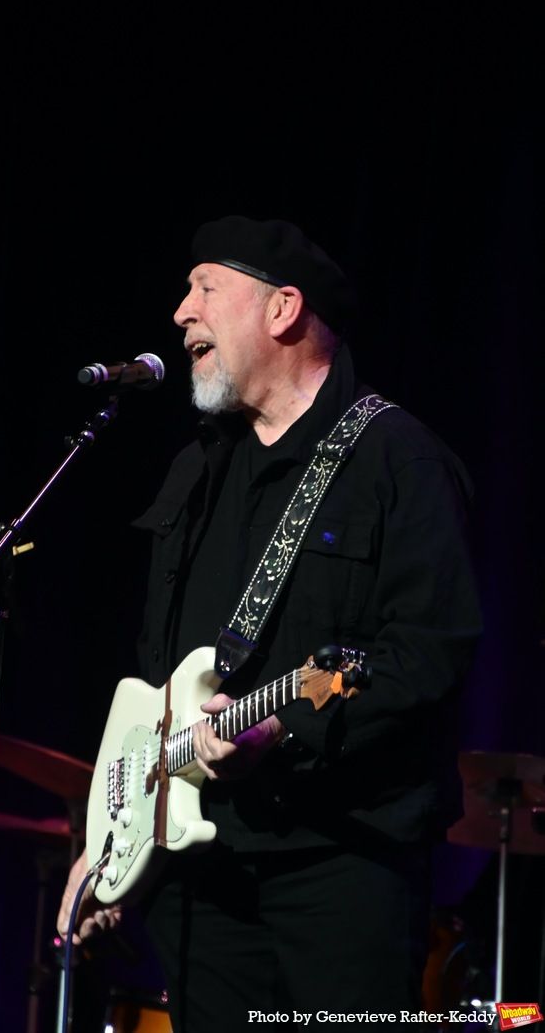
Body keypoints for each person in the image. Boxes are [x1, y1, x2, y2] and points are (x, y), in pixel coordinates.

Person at [57, 216, 482, 1031]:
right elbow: (154, 688)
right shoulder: (197, 468)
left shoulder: (399, 462)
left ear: (283, 309)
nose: (182, 311)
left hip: (342, 867)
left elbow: (430, 653)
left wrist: (282, 732)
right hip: (203, 877)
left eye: (205, 288)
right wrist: (116, 841)